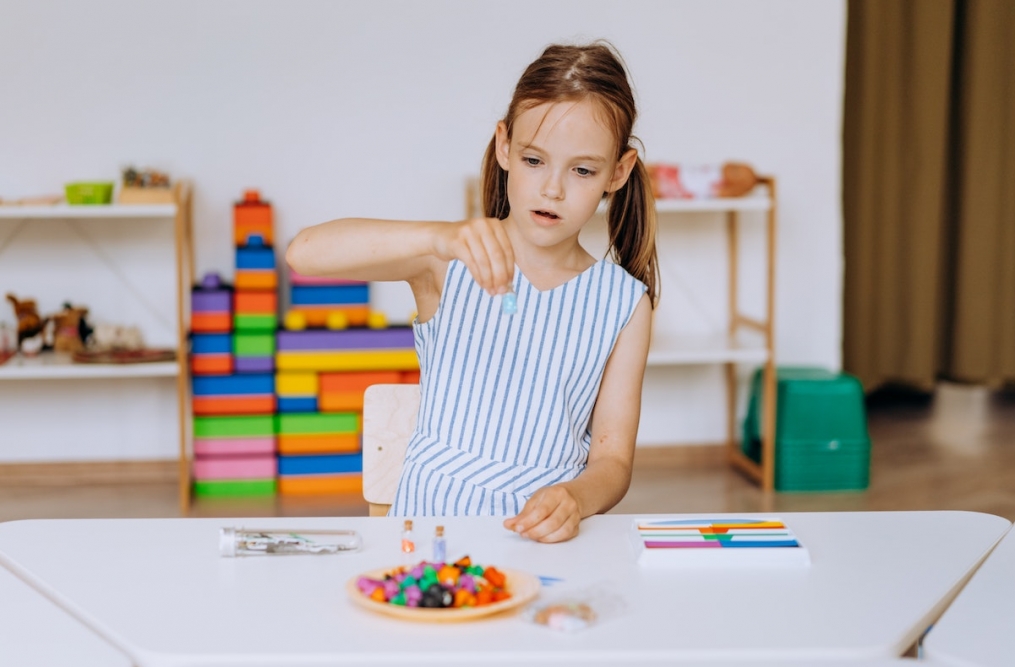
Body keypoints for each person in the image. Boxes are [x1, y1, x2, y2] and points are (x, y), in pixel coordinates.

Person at [287, 41, 658, 543]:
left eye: (582, 170)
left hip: (542, 544)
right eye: (533, 160)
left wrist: (576, 497)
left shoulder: (624, 304)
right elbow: (304, 253)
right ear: (504, 146)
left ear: (618, 171)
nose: (552, 189)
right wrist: (435, 237)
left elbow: (613, 462)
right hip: (428, 534)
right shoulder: (446, 260)